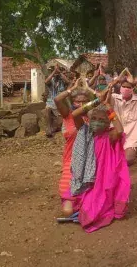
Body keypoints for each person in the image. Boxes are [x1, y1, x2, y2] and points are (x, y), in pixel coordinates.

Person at [67, 85, 131, 233]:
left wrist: (109, 108)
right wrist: (96, 101)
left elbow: (120, 130)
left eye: (101, 119)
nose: (96, 121)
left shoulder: (109, 136)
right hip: (87, 177)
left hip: (104, 178)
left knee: (96, 208)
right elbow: (75, 114)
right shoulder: (86, 131)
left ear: (107, 122)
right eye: (93, 118)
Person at [54, 78, 91, 217]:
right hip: (71, 162)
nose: (81, 104)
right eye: (77, 101)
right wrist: (72, 88)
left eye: (84, 101)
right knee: (67, 211)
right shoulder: (67, 116)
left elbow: (105, 99)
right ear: (72, 102)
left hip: (90, 162)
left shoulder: (93, 116)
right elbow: (57, 100)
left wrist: (89, 89)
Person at [110, 70, 137, 166]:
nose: (125, 89)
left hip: (130, 139)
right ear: (120, 88)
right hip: (115, 135)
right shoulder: (114, 98)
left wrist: (135, 83)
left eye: (129, 87)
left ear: (133, 89)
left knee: (127, 160)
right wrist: (116, 81)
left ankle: (134, 149)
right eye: (123, 86)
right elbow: (101, 96)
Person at [45, 64, 69, 137]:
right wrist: (54, 71)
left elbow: (68, 82)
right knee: (47, 108)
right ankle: (49, 127)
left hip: (61, 104)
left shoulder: (63, 81)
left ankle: (55, 127)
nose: (56, 74)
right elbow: (46, 81)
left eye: (57, 72)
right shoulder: (51, 81)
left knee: (60, 124)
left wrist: (60, 72)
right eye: (55, 72)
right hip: (51, 103)